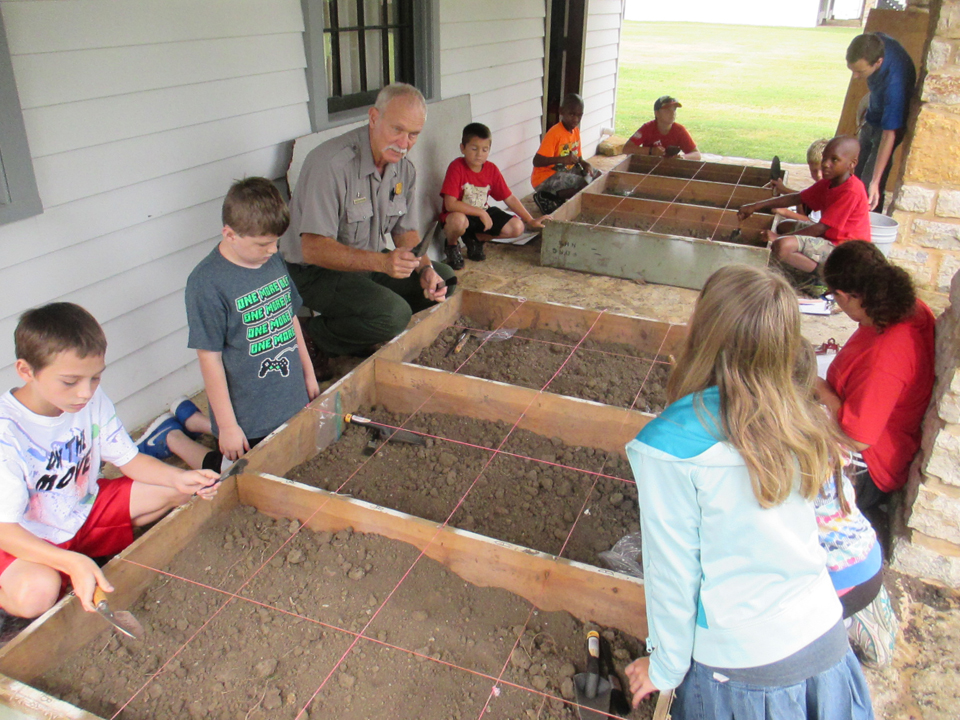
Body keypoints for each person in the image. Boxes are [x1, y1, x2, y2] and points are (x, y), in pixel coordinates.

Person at [624, 265, 872, 719]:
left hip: (743, 673)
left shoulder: (667, 445)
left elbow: (673, 576)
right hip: (825, 642)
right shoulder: (799, 417)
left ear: (704, 332)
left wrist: (664, 666)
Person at [0, 303, 219, 622]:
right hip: (29, 537)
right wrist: (70, 562)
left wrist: (177, 479)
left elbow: (129, 461)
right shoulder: (7, 434)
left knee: (182, 491)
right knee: (37, 595)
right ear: (26, 371)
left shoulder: (89, 400)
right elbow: (5, 531)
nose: (85, 393)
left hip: (84, 510)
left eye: (95, 379)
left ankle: (84, 558)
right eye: (70, 381)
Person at [137, 178, 320, 473]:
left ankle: (194, 420)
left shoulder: (270, 260)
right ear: (230, 234)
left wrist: (308, 373)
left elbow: (290, 318)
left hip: (289, 395)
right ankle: (172, 438)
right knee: (238, 472)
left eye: (276, 241)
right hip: (247, 412)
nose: (273, 250)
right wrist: (229, 426)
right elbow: (209, 359)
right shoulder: (206, 283)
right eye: (263, 243)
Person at [279, 83, 454, 360]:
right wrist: (383, 263)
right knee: (394, 315)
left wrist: (425, 269)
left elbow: (405, 230)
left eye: (413, 135)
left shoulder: (403, 169)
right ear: (374, 118)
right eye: (397, 129)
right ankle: (312, 335)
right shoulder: (331, 165)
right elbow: (313, 248)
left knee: (444, 280)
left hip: (366, 261)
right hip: (311, 271)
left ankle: (362, 329)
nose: (404, 143)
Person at [796, 340, 897, 669]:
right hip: (866, 554)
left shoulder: (787, 449)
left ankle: (847, 627)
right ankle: (858, 609)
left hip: (842, 579)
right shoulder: (820, 422)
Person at [818, 240, 935, 511]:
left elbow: (858, 438)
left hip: (868, 470)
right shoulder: (904, 308)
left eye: (835, 297)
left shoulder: (886, 356)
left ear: (845, 295)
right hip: (873, 442)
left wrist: (822, 391)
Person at [738, 136, 871, 288]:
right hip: (830, 238)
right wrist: (755, 206)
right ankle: (806, 268)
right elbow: (797, 198)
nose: (826, 164)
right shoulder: (829, 182)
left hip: (846, 251)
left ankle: (824, 278)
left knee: (783, 246)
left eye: (834, 160)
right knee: (785, 225)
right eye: (825, 158)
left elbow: (819, 228)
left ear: (851, 164)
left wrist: (777, 238)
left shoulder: (851, 191)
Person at [439, 122, 546, 269]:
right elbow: (450, 204)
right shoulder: (456, 167)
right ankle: (452, 246)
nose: (479, 154)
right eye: (474, 148)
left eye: (485, 149)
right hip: (460, 214)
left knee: (517, 227)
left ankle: (476, 239)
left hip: (482, 212)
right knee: (458, 221)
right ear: (462, 148)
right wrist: (480, 212)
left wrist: (530, 220)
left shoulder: (491, 169)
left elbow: (509, 197)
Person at [846, 33, 916, 212]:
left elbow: (888, 135)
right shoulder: (872, 43)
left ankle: (865, 226)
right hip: (873, 114)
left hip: (888, 127)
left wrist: (875, 182)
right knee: (852, 174)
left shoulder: (895, 85)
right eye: (852, 69)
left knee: (868, 186)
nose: (855, 76)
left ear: (878, 62)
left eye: (860, 72)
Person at [530, 93, 599, 215]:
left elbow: (579, 158)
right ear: (561, 111)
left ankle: (559, 198)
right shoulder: (554, 133)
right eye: (572, 114)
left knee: (597, 175)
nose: (576, 119)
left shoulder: (575, 131)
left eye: (579, 115)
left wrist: (586, 164)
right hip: (545, 177)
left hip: (564, 171)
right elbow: (536, 161)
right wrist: (561, 159)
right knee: (582, 184)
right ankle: (547, 197)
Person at [769, 138, 829, 228]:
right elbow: (805, 196)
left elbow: (814, 224)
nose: (819, 175)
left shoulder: (829, 190)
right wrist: (783, 189)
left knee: (783, 226)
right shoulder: (822, 185)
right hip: (815, 223)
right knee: (800, 199)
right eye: (814, 171)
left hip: (821, 231)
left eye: (822, 170)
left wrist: (784, 212)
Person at [623, 96, 701, 161]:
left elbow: (697, 154)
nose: (672, 113)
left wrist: (683, 157)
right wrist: (651, 151)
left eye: (674, 109)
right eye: (667, 110)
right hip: (649, 166)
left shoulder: (679, 130)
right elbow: (626, 149)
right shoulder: (647, 128)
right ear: (657, 113)